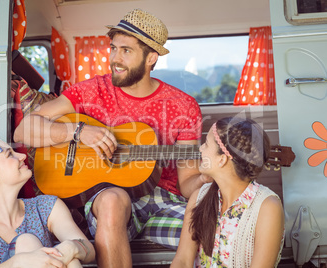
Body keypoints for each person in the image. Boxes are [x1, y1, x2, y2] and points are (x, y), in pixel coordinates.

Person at [14, 8, 210, 268]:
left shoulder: (183, 106)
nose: (115, 58)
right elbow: (23, 130)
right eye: (113, 48)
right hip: (111, 199)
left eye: (126, 51)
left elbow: (187, 183)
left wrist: (210, 175)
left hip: (166, 202)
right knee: (111, 201)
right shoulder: (91, 90)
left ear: (151, 58)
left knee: (218, 234)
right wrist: (77, 131)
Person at [0, 132, 95, 268]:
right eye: (10, 154)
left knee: (70, 256)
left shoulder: (45, 206)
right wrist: (18, 262)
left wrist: (71, 247)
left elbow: (89, 251)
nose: (22, 156)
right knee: (26, 242)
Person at [171, 117, 285, 268]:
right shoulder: (198, 198)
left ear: (222, 159)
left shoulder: (268, 207)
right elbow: (183, 261)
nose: (200, 149)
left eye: (206, 144)